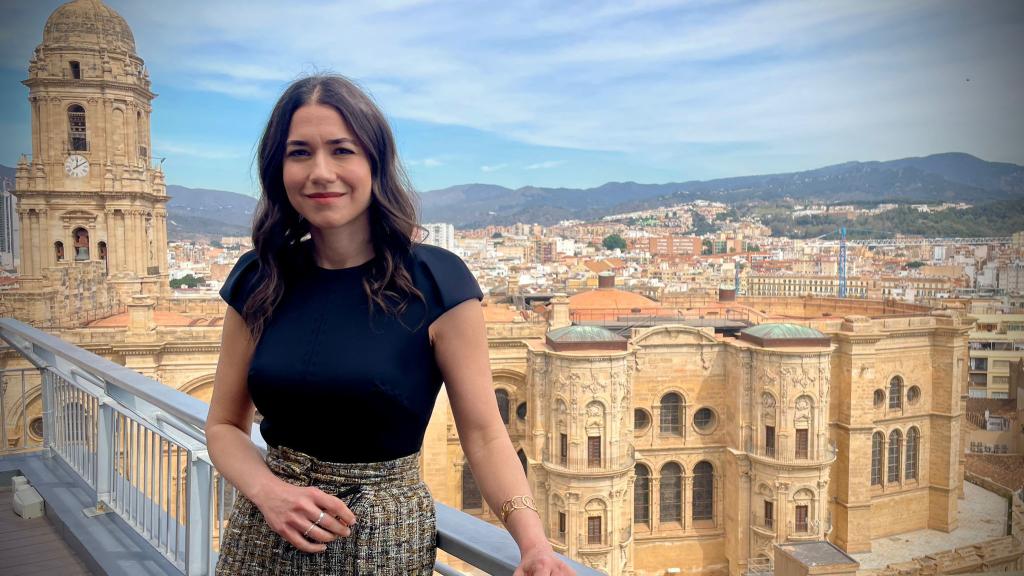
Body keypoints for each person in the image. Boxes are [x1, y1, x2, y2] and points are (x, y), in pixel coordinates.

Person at [206, 74, 573, 576]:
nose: (320, 172)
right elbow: (225, 425)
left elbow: (486, 435)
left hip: (382, 539)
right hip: (267, 531)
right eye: (299, 153)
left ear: (375, 164)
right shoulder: (259, 277)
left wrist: (533, 545)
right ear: (278, 169)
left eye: (342, 150)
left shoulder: (437, 282)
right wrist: (269, 492)